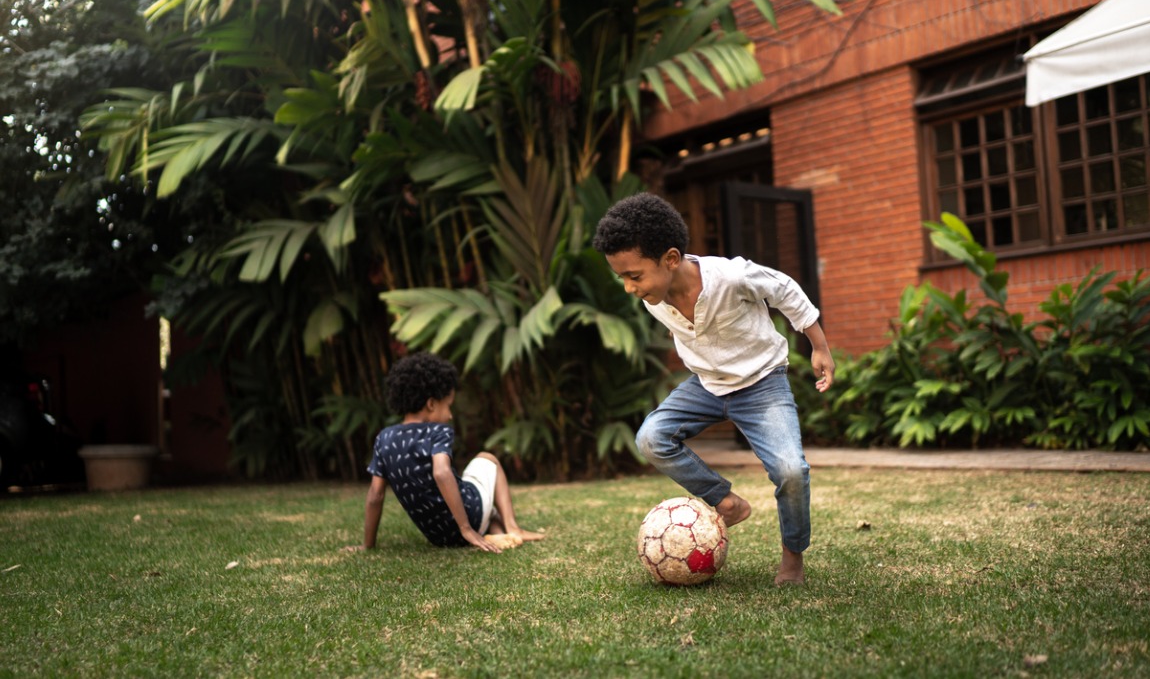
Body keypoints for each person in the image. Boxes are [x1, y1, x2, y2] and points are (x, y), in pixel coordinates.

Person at [592, 192, 835, 586]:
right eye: (622, 277)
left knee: (791, 471)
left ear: (671, 259)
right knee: (651, 438)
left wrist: (819, 347)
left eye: (634, 276)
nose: (628, 288)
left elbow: (786, 290)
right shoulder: (654, 298)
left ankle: (793, 556)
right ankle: (726, 502)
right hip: (707, 386)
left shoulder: (731, 277)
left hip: (762, 383)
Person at [344, 352, 544, 554]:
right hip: (468, 519)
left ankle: (495, 530)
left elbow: (375, 495)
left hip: (439, 536)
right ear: (431, 404)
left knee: (489, 510)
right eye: (448, 406)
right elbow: (441, 472)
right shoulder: (437, 431)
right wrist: (466, 529)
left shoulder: (384, 438)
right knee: (488, 459)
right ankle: (512, 528)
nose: (450, 415)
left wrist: (367, 545)